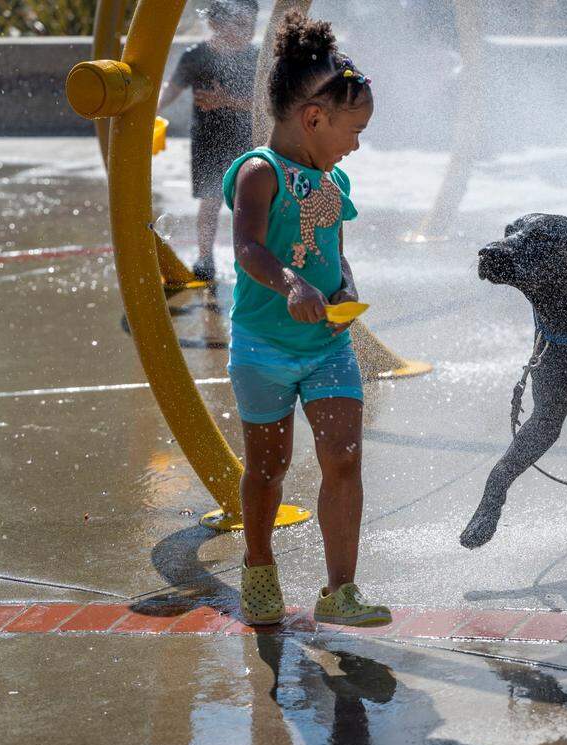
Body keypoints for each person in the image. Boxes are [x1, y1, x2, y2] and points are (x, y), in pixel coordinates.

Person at [223, 12, 389, 627]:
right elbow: (246, 248)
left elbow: (333, 253)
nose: (355, 144)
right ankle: (259, 565)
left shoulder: (332, 180)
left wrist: (342, 288)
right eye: (354, 129)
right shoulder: (260, 170)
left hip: (325, 346)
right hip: (264, 346)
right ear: (313, 118)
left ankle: (339, 589)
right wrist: (290, 282)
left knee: (343, 455)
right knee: (269, 467)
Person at [158, 0, 259, 283]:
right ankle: (205, 258)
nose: (247, 32)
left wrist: (229, 101)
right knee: (210, 201)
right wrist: (147, 113)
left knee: (250, 203)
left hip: (248, 142)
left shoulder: (256, 58)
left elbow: (267, 105)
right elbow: (170, 90)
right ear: (215, 24)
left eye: (250, 25)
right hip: (208, 140)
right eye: (239, 24)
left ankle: (252, 259)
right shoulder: (196, 57)